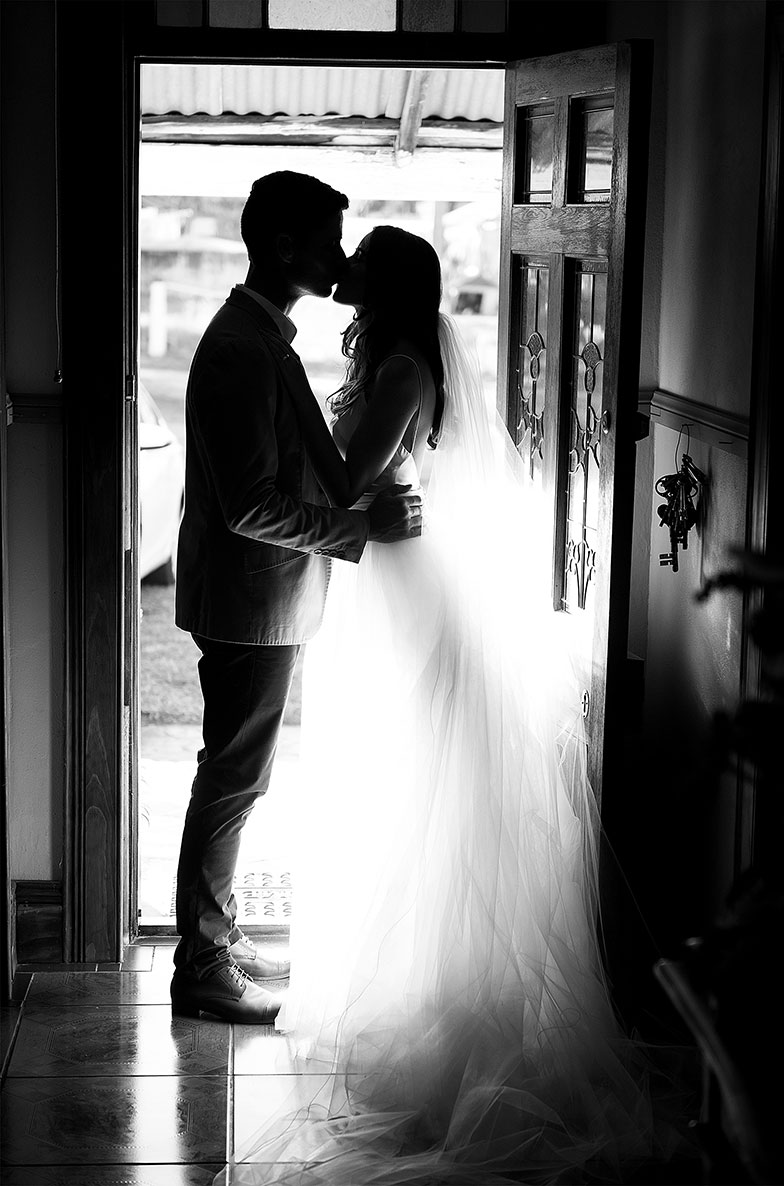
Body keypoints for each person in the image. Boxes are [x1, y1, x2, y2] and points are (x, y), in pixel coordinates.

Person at [222, 227, 684, 1183]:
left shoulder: (399, 369)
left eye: (359, 267)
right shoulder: (391, 357)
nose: (342, 270)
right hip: (384, 574)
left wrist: (298, 402)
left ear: (386, 291)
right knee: (395, 778)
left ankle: (441, 994)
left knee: (418, 776)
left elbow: (349, 482)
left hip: (408, 583)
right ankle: (409, 983)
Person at [170, 178, 423, 1026]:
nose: (342, 260)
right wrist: (356, 530)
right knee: (233, 779)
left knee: (241, 775)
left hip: (262, 597)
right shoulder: (244, 349)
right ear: (283, 248)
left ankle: (219, 936)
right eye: (327, 243)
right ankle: (203, 963)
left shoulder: (266, 337)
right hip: (248, 601)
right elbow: (249, 504)